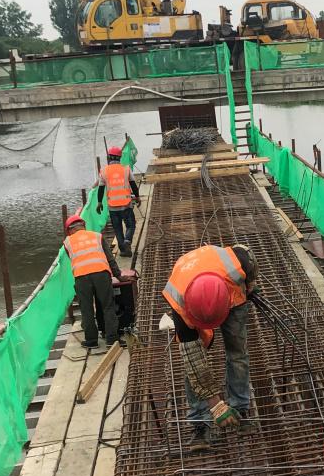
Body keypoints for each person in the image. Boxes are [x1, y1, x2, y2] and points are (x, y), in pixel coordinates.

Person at [162, 244, 258, 452]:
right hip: (194, 299)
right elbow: (195, 364)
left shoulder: (236, 265)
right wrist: (216, 405)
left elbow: (247, 254)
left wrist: (250, 282)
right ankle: (200, 423)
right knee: (193, 366)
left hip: (232, 295)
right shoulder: (178, 301)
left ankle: (240, 409)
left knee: (237, 353)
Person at [63, 213, 121, 350]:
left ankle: (91, 340)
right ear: (83, 226)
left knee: (86, 309)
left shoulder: (67, 242)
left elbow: (73, 258)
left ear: (70, 230)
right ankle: (112, 339)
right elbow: (110, 258)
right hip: (101, 274)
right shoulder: (97, 236)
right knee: (108, 306)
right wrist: (118, 275)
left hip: (81, 278)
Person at [99, 145, 140, 256]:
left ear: (109, 157)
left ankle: (123, 250)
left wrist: (99, 202)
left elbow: (101, 188)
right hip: (126, 205)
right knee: (131, 225)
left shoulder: (104, 171)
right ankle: (127, 241)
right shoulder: (126, 169)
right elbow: (133, 184)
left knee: (117, 229)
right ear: (120, 157)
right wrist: (137, 197)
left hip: (112, 207)